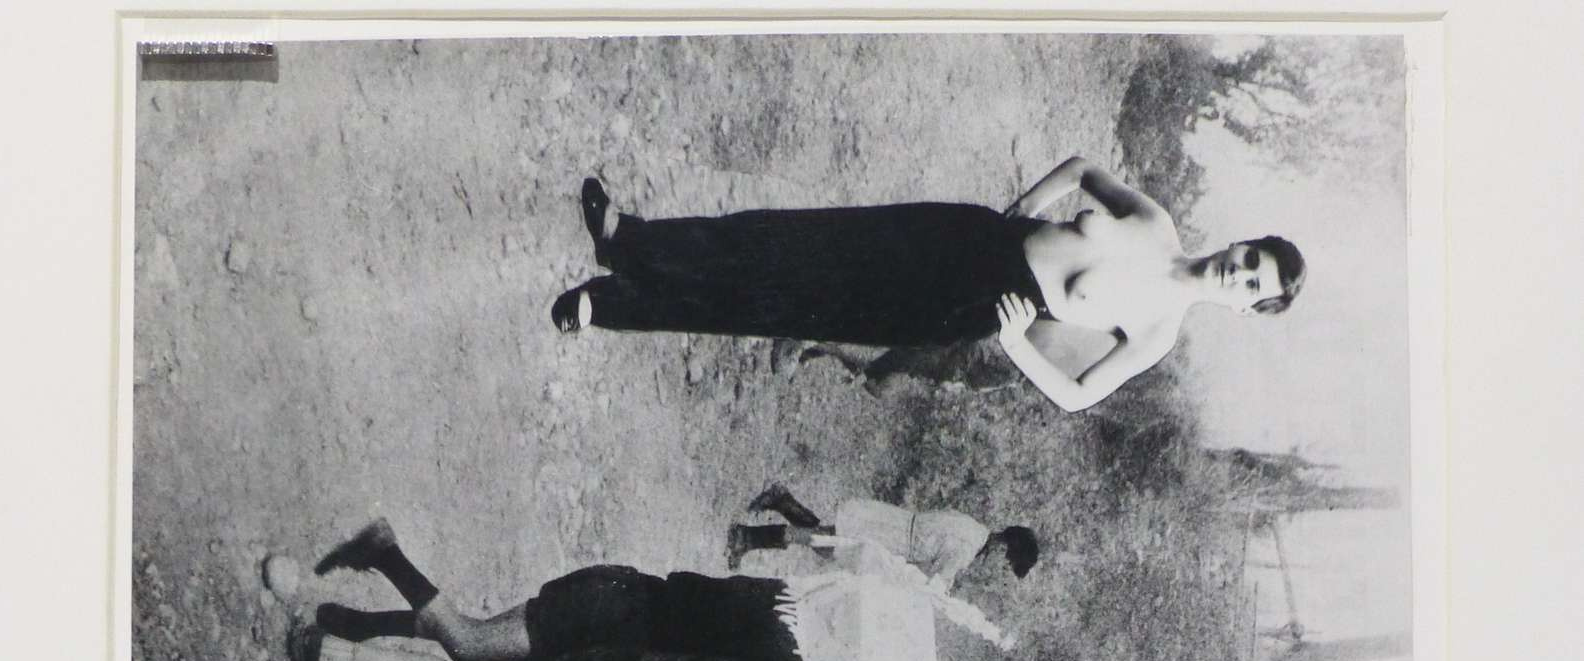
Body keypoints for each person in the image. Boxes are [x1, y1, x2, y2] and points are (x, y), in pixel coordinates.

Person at [551, 169, 1305, 413]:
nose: (1237, 273)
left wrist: (1017, 345)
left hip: (953, 308)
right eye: (1250, 259)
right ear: (1241, 243)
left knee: (777, 303)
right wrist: (1020, 210)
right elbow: (1082, 169)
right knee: (788, 239)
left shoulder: (1158, 332)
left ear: (1247, 307)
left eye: (1251, 286)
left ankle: (609, 305)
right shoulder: (1154, 221)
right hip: (959, 235)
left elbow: (1078, 396)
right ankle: (629, 241)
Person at [308, 518, 810, 661]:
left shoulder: (788, 615)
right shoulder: (783, 635)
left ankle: (356, 624)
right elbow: (743, 625)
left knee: (477, 638)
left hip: (614, 610)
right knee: (469, 645)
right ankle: (385, 552)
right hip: (606, 613)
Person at [730, 485, 1039, 588]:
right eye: (1006, 561)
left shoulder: (973, 528)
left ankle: (781, 500)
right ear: (1004, 545)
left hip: (893, 525)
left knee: (825, 541)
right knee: (821, 541)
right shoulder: (967, 548)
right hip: (891, 537)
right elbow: (937, 582)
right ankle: (746, 537)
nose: (998, 566)